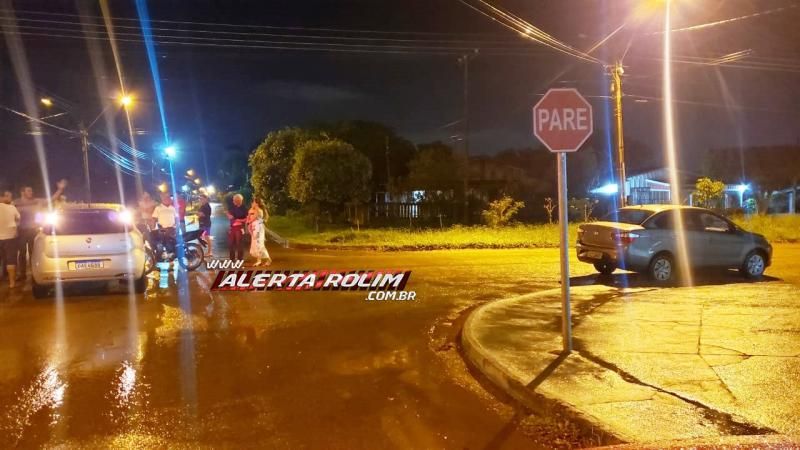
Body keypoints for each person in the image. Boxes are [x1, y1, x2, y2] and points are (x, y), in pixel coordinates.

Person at [14, 179, 67, 281]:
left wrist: (60, 190)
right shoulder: (16, 203)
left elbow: (52, 199)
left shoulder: (37, 201)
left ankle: (34, 274)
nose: (31, 192)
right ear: (22, 192)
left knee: (33, 253)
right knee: (22, 253)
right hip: (21, 231)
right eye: (28, 191)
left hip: (34, 230)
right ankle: (22, 274)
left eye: (31, 191)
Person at [0, 190, 21, 288]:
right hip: (10, 237)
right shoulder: (11, 207)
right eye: (9, 197)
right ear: (3, 197)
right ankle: (12, 283)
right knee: (11, 260)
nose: (11, 199)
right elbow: (18, 219)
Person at [246, 198, 271, 266]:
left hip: (258, 228)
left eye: (253, 202)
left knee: (259, 244)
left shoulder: (259, 211)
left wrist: (249, 222)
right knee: (255, 244)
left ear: (256, 203)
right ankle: (259, 260)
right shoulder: (252, 210)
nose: (252, 203)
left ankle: (268, 259)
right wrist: (248, 218)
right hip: (254, 227)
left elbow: (253, 218)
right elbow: (248, 217)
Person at [226, 194, 248, 261]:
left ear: (239, 200)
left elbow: (246, 219)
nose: (233, 201)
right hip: (232, 227)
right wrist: (228, 215)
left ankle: (240, 258)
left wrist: (239, 220)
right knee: (231, 243)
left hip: (240, 227)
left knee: (239, 243)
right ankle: (232, 258)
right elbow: (229, 214)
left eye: (234, 200)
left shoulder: (244, 208)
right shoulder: (232, 207)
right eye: (233, 200)